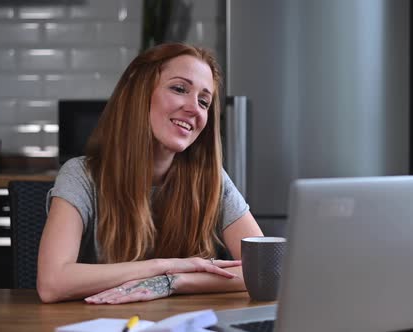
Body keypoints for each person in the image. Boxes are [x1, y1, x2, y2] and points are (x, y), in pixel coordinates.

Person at [37, 42, 263, 304]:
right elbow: (52, 283)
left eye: (204, 101)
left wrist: (172, 281)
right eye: (179, 89)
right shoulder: (80, 176)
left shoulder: (211, 179)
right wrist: (161, 266)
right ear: (139, 95)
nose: (194, 109)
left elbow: (262, 269)